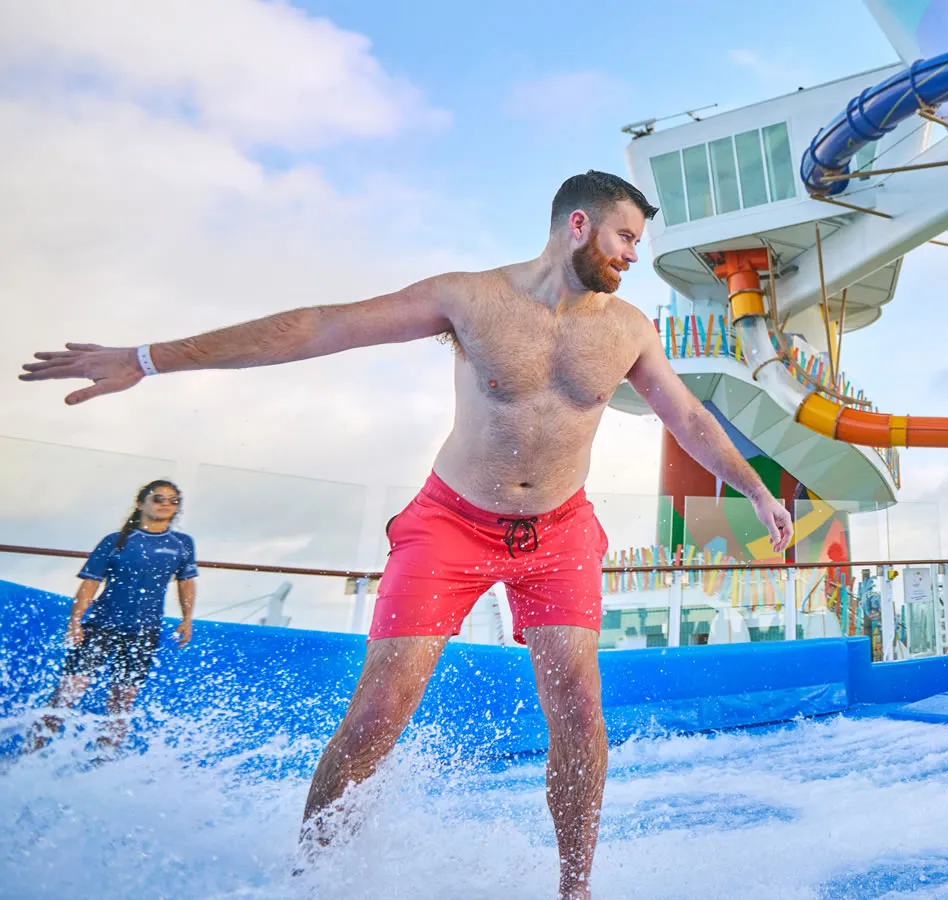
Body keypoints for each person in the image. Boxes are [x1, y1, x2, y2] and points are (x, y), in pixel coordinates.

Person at [18, 170, 795, 898]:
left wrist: (757, 490)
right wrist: (149, 359)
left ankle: (575, 887)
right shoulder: (470, 298)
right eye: (626, 238)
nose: (633, 257)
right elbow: (320, 327)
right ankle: (311, 877)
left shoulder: (627, 328)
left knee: (579, 710)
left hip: (560, 531)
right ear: (578, 226)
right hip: (451, 524)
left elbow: (687, 417)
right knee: (380, 707)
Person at [29, 479, 197, 754]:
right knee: (66, 695)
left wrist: (187, 617)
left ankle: (102, 764)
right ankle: (28, 755)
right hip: (102, 627)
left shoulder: (181, 544)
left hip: (144, 631)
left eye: (173, 500)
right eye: (159, 498)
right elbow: (90, 583)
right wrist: (76, 621)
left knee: (121, 705)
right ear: (141, 503)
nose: (166, 504)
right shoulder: (117, 541)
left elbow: (186, 582)